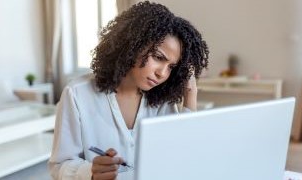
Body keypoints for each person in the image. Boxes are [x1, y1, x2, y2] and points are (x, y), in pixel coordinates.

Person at [48, 1, 209, 180]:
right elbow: (59, 165)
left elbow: (183, 154)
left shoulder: (162, 99)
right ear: (133, 45)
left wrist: (190, 92)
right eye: (157, 57)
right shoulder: (78, 94)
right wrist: (90, 173)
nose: (162, 73)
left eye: (171, 66)